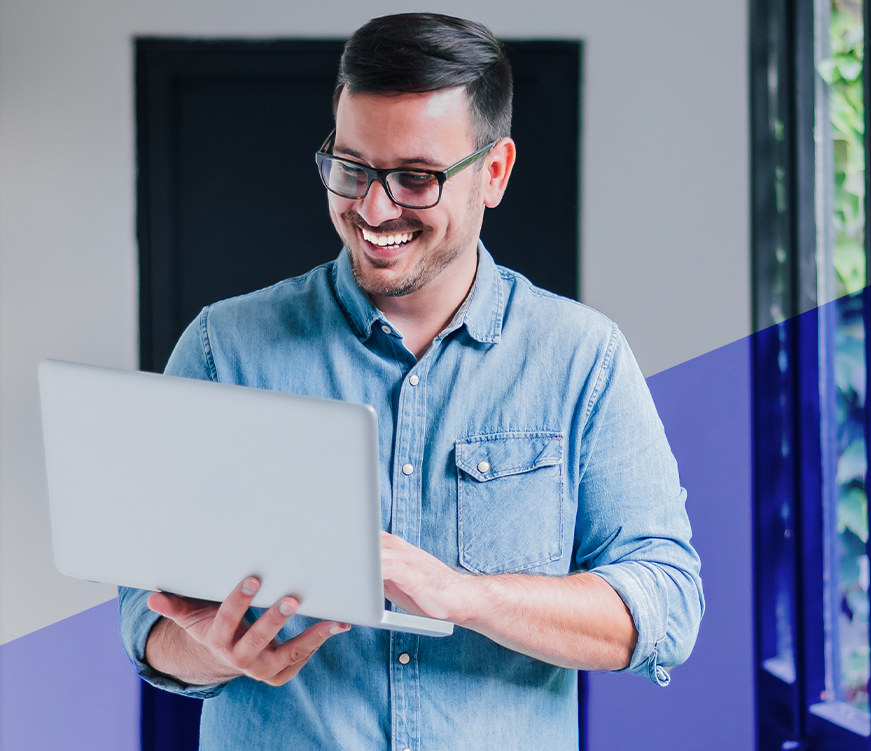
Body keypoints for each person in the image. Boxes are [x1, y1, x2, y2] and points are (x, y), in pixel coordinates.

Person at [118, 12, 703, 750]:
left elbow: (666, 605)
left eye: (415, 178)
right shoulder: (221, 350)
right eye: (352, 167)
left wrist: (463, 596)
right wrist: (209, 649)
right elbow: (145, 615)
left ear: (493, 172)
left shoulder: (581, 358)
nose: (372, 207)